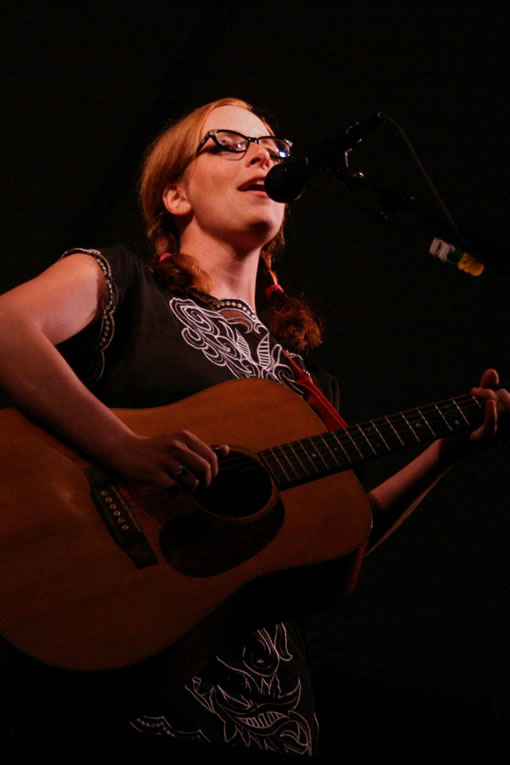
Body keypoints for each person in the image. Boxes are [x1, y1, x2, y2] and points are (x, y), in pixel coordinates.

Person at [0, 97, 508, 758]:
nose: (265, 155)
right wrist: (124, 449)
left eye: (274, 147)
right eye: (229, 144)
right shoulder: (123, 282)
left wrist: (440, 455)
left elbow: (333, 538)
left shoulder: (308, 385)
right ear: (176, 195)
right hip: (130, 694)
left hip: (267, 718)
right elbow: (7, 329)